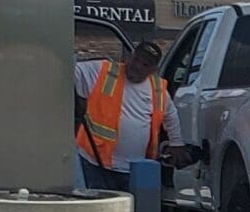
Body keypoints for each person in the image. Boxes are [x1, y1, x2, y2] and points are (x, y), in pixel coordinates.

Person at [74, 33, 180, 190]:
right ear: (130, 56)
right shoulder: (103, 71)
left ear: (153, 69)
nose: (137, 66)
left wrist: (177, 143)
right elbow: (69, 70)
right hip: (95, 162)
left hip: (136, 169)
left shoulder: (158, 89)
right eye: (137, 59)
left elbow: (171, 116)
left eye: (145, 64)